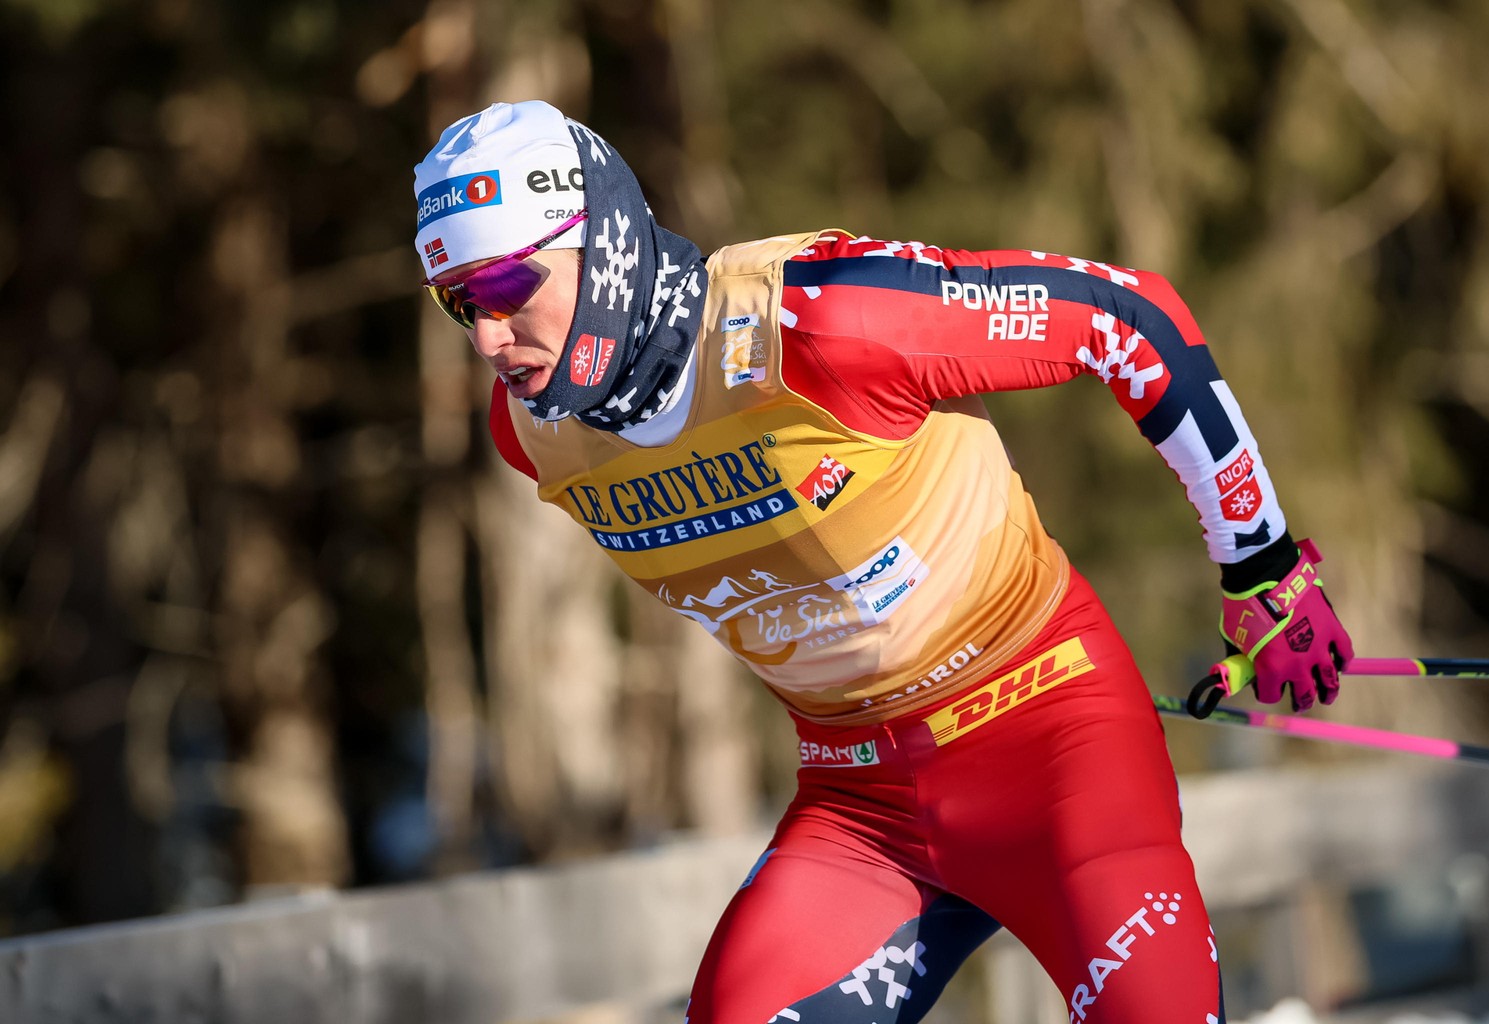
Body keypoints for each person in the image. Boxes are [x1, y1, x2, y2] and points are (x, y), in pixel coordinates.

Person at [412, 100, 1354, 1023]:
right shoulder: (533, 435)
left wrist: (1262, 568)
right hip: (863, 806)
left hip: (1056, 746)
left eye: (507, 286)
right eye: (458, 302)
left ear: (607, 244)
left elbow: (1129, 316)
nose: (487, 338)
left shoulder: (821, 317)